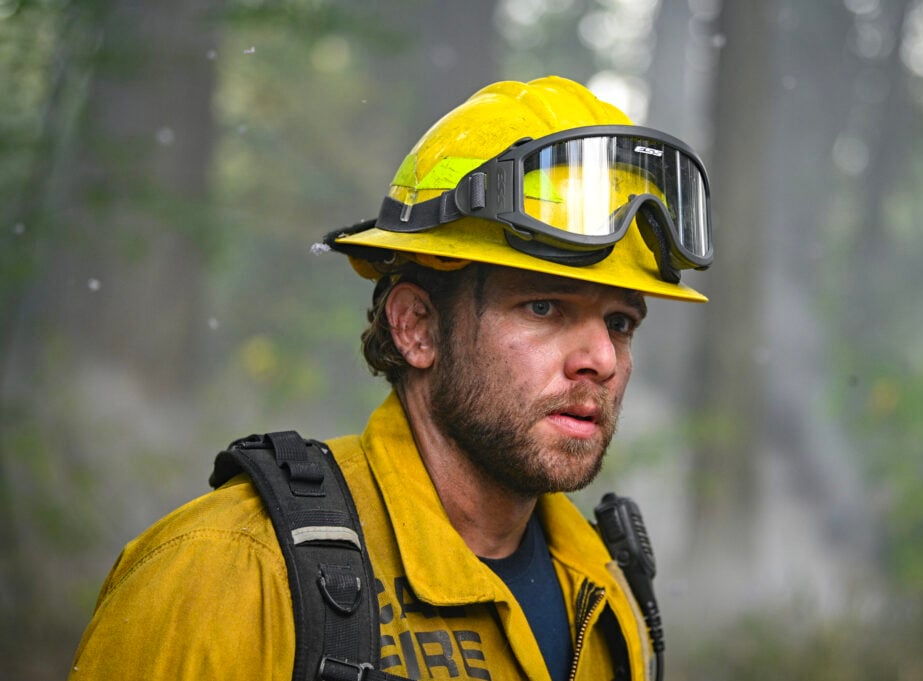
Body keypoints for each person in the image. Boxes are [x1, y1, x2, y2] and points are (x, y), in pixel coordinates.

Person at [69, 75, 712, 681]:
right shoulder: (230, 572)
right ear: (417, 327)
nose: (600, 358)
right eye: (544, 307)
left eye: (621, 322)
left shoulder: (605, 593)